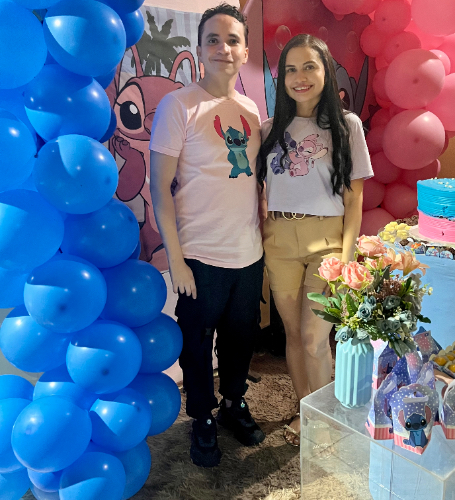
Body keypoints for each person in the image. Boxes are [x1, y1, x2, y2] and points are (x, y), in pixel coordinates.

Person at [149, 3, 265, 468]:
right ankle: (202, 416)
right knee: (196, 345)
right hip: (198, 255)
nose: (223, 48)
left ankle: (234, 402)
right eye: (213, 40)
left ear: (245, 51)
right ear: (199, 50)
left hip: (248, 253)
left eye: (232, 40)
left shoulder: (251, 109)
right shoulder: (179, 106)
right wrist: (176, 260)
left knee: (240, 339)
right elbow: (159, 187)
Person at [258, 34, 373, 447]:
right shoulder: (268, 129)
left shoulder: (347, 126)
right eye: (290, 69)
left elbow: (354, 200)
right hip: (278, 240)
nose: (299, 77)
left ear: (326, 71)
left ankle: (326, 418)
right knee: (292, 335)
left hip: (327, 242)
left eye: (309, 66)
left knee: (313, 337)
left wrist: (346, 259)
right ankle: (305, 409)